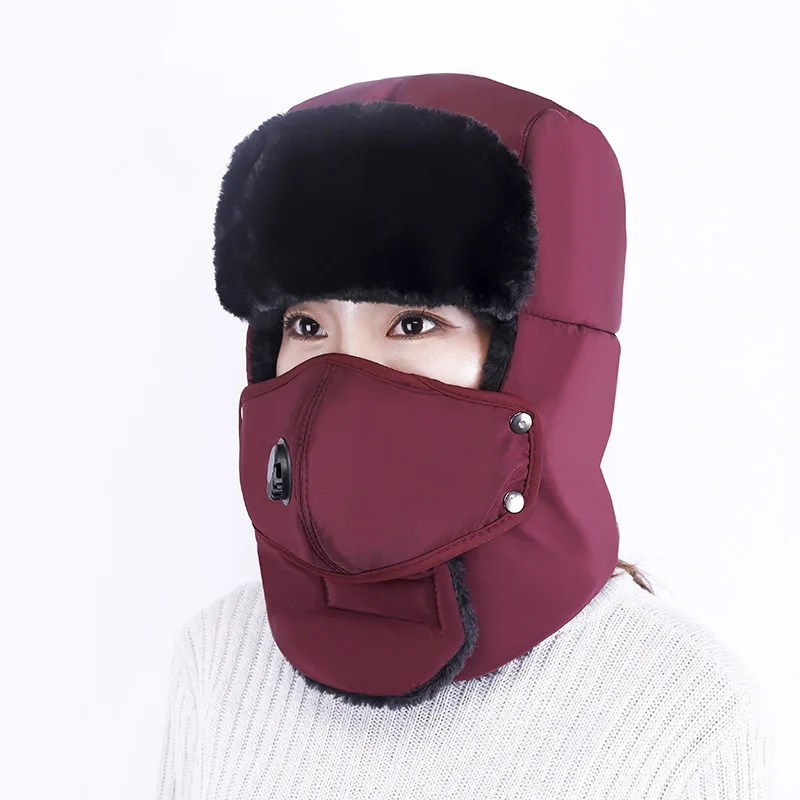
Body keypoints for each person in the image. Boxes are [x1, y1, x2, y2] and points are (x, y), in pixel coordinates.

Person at [155, 73, 771, 798]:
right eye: (307, 324)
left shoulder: (684, 713)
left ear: (541, 357)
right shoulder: (220, 656)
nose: (341, 373)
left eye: (413, 323)